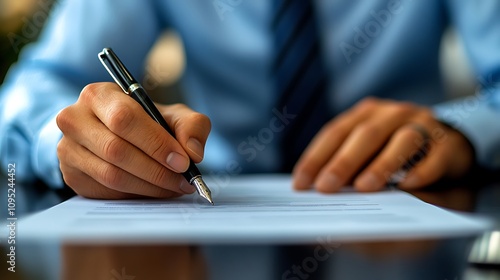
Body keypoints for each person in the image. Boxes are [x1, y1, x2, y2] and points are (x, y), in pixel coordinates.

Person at [0, 1, 499, 201]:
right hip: (209, 199)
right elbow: (32, 90)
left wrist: (461, 128)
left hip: (407, 195)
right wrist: (76, 136)